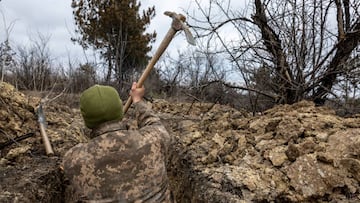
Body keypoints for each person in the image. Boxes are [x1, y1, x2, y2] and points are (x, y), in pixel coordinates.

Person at [61, 82, 173, 202]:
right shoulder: (154, 139)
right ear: (119, 109)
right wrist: (137, 100)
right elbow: (153, 123)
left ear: (86, 120)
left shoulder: (73, 160)